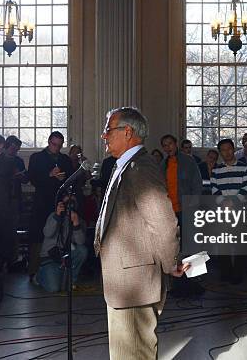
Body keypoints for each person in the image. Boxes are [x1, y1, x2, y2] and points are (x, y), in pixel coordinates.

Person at [95, 107, 189, 360]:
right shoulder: (125, 165)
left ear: (127, 132)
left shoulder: (141, 167)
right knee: (125, 353)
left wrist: (171, 263)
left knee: (134, 354)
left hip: (134, 282)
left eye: (108, 129)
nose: (104, 136)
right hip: (124, 281)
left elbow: (163, 222)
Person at [27, 131, 73, 283]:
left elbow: (71, 179)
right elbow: (32, 178)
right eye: (54, 145)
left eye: (59, 146)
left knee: (59, 235)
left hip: (59, 202)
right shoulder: (37, 157)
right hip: (41, 203)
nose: (56, 148)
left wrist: (64, 180)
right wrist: (49, 174)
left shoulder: (65, 159)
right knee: (38, 236)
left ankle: (57, 270)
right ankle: (34, 271)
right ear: (48, 142)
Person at [37, 194, 88, 293]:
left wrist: (76, 224)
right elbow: (48, 233)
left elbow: (81, 242)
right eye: (66, 202)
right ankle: (38, 276)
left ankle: (71, 281)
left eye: (72, 202)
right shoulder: (53, 216)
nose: (69, 205)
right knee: (54, 288)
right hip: (50, 258)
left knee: (82, 251)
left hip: (66, 256)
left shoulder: (79, 220)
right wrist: (57, 216)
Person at [160, 134, 202, 220]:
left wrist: (194, 200)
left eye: (170, 143)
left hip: (186, 205)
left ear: (176, 144)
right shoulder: (163, 164)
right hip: (169, 207)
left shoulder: (188, 160)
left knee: (187, 232)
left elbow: (197, 182)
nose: (168, 147)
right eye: (165, 145)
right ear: (163, 148)